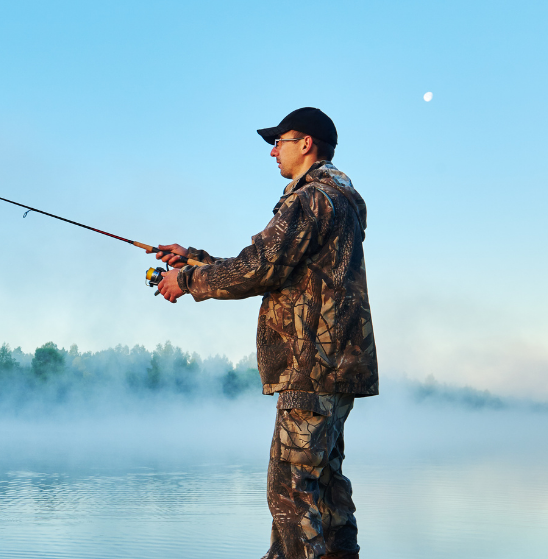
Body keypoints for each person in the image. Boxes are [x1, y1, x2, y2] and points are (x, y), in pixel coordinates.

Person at [151, 107, 378, 559]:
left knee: (292, 493)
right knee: (325, 491)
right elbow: (278, 270)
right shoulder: (338, 200)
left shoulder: (310, 200)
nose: (274, 150)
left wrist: (188, 281)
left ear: (307, 144)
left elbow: (259, 268)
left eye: (281, 141)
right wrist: (194, 258)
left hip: (309, 370)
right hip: (335, 371)